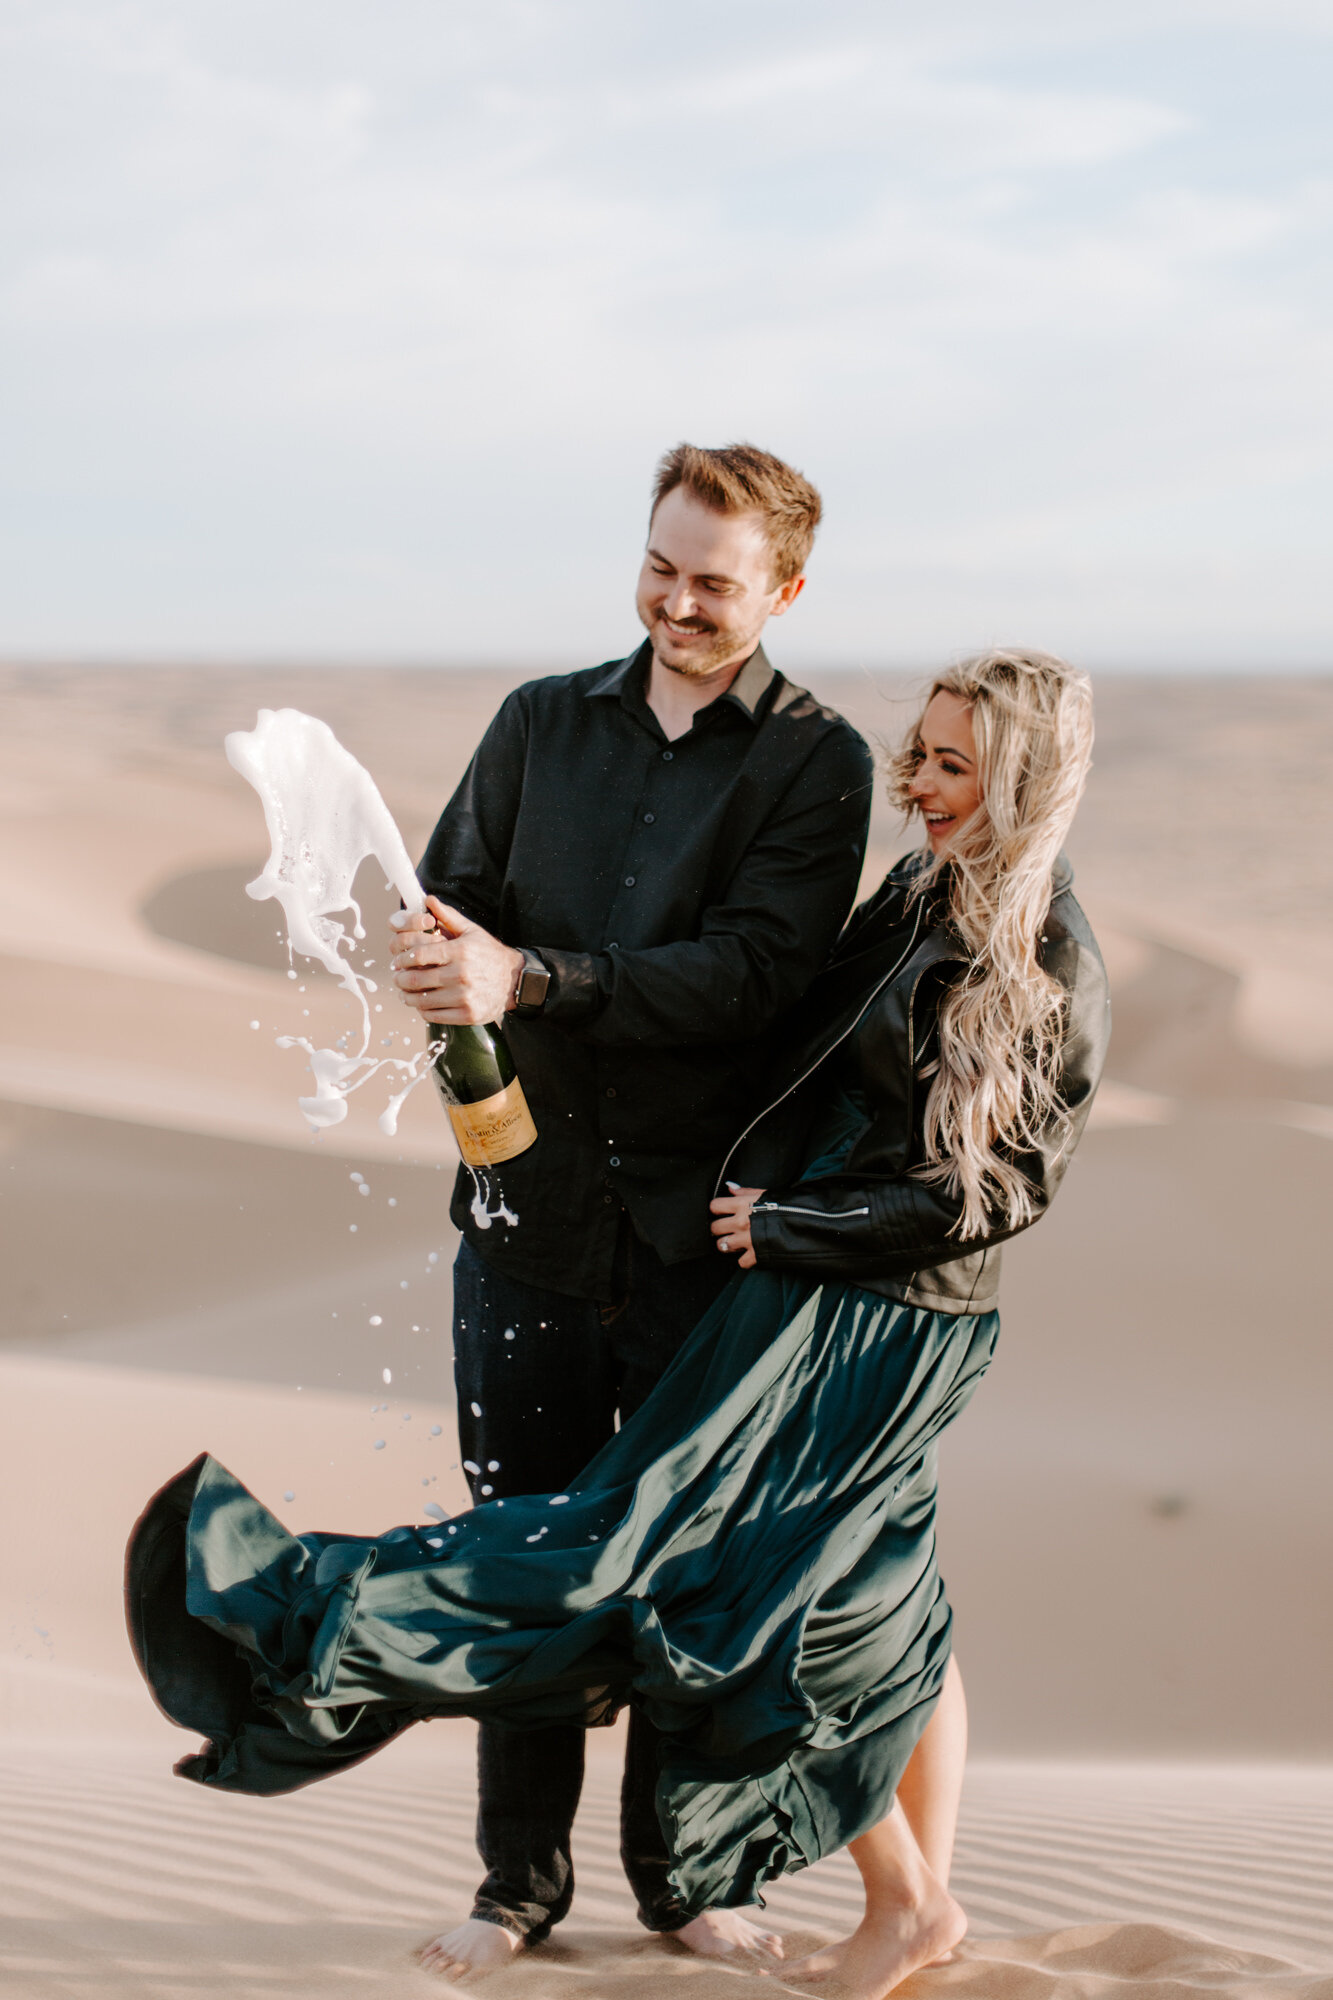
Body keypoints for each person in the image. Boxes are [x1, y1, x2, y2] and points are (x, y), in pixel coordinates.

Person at [127, 647, 1110, 2000]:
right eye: (921, 750)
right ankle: (919, 1909)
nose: (918, 781)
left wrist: (782, 1229)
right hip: (823, 1301)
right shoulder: (924, 891)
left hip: (865, 1323)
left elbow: (1002, 1187)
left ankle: (293, 1620)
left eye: (954, 762)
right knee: (886, 1604)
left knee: (729, 1591)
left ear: (1025, 776)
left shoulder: (1039, 948)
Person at [383, 441, 877, 1969]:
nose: (674, 600)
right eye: (659, 565)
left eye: (713, 582)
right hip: (522, 1218)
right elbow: (452, 895)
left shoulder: (816, 761)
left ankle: (690, 1882)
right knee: (517, 1550)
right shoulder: (539, 720)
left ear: (785, 590)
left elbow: (754, 978)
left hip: (696, 1235)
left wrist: (530, 979)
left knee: (689, 1561)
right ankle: (514, 1888)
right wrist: (433, 957)